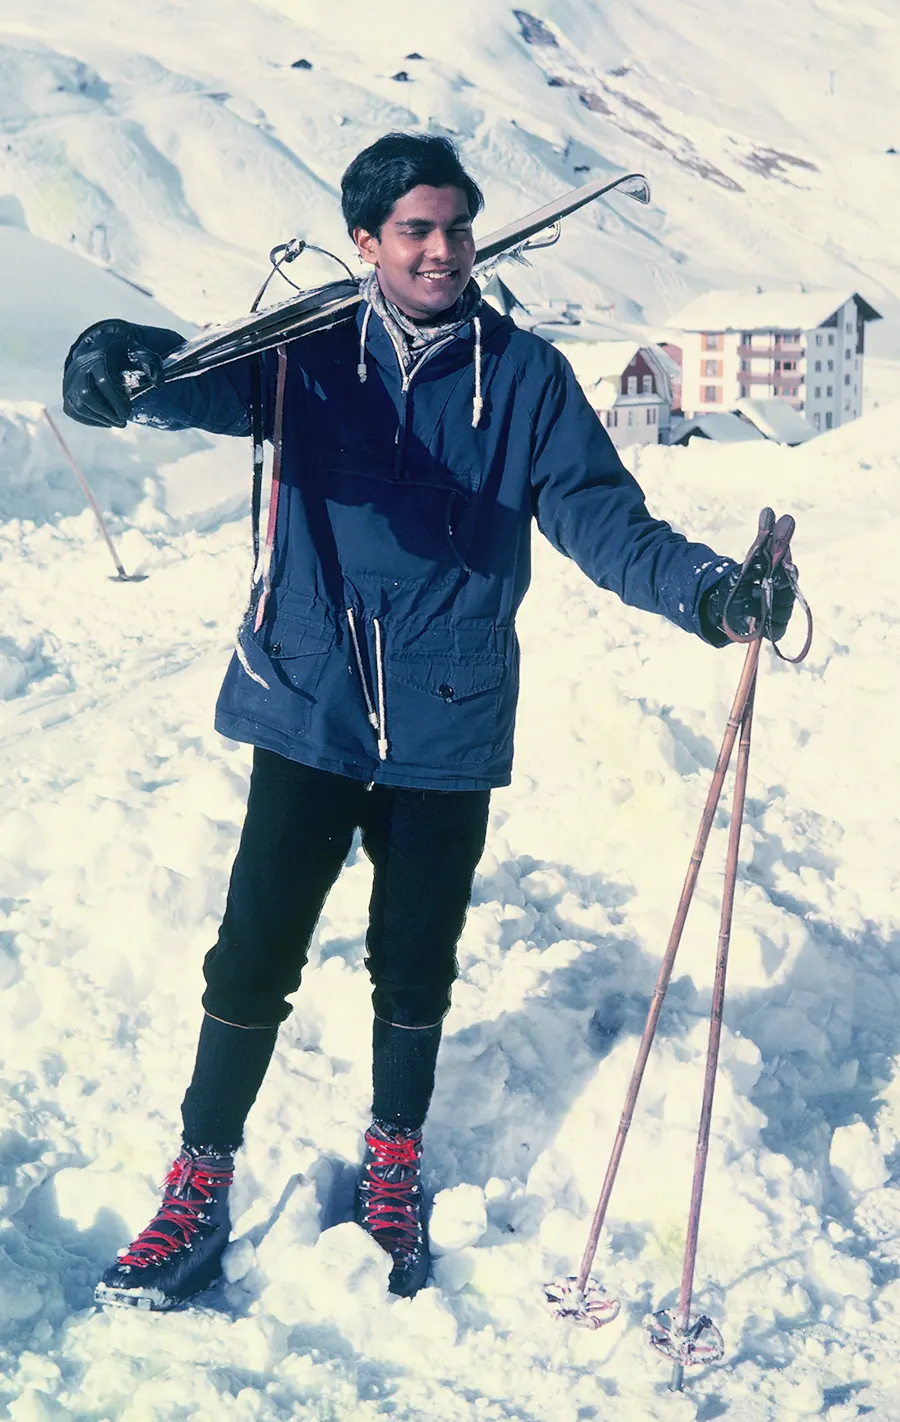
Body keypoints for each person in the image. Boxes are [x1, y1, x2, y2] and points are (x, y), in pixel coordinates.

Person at [61, 132, 794, 1311]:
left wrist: (710, 594)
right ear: (367, 242)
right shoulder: (299, 354)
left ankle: (393, 1160)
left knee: (415, 961)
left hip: (449, 713)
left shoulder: (528, 380)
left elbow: (606, 522)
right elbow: (179, 381)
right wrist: (118, 365)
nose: (444, 249)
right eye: (416, 230)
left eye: (456, 227)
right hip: (307, 696)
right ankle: (198, 1181)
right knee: (253, 950)